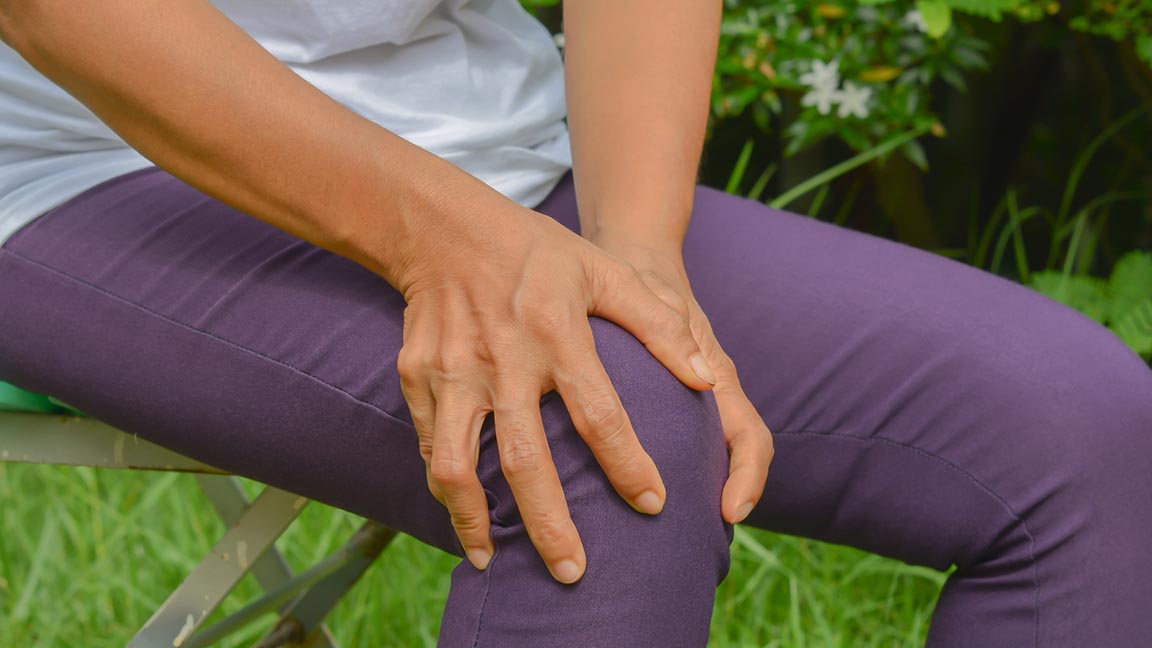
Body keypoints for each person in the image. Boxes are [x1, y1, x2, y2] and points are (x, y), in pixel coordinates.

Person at [0, 1, 1149, 645]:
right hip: (74, 157)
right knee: (601, 421)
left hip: (492, 138)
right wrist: (439, 242)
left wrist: (636, 256)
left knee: (1081, 438)